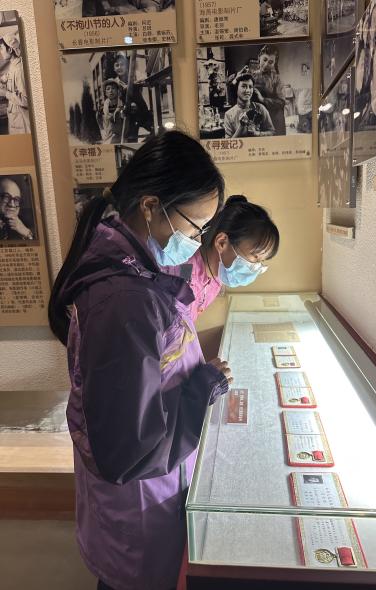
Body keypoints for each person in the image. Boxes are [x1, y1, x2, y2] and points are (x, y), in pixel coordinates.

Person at [48, 130, 232, 590]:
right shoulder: (125, 300)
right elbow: (130, 450)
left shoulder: (136, 264)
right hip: (140, 499)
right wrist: (200, 391)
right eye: (195, 227)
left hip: (145, 489)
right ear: (151, 207)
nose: (198, 241)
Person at [164, 195, 279, 322]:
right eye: (255, 257)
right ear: (222, 242)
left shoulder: (217, 279)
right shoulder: (184, 272)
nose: (256, 267)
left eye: (261, 261)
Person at [113, 51, 154, 142]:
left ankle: (147, 141)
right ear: (114, 68)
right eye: (117, 65)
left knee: (157, 129)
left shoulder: (134, 75)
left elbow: (145, 79)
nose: (119, 67)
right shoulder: (115, 82)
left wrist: (136, 82)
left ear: (127, 66)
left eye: (122, 64)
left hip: (141, 110)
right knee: (131, 137)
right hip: (127, 114)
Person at [224, 73, 275, 138]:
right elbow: (229, 143)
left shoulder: (261, 108)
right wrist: (241, 127)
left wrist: (257, 134)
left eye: (250, 87)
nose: (248, 90)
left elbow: (272, 132)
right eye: (244, 86)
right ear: (236, 89)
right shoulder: (229, 115)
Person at [0, 30, 30, 135]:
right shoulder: (13, 66)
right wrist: (2, 81)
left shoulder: (19, 69)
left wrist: (5, 93)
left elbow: (26, 100)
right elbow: (7, 77)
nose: (0, 52)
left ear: (10, 49)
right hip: (15, 118)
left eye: (1, 48)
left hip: (22, 122)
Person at [98, 78, 124, 143]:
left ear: (117, 90)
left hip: (122, 135)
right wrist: (102, 130)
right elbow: (98, 118)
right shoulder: (103, 107)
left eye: (113, 88)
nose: (111, 91)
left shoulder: (122, 104)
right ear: (105, 93)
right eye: (108, 89)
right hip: (109, 135)